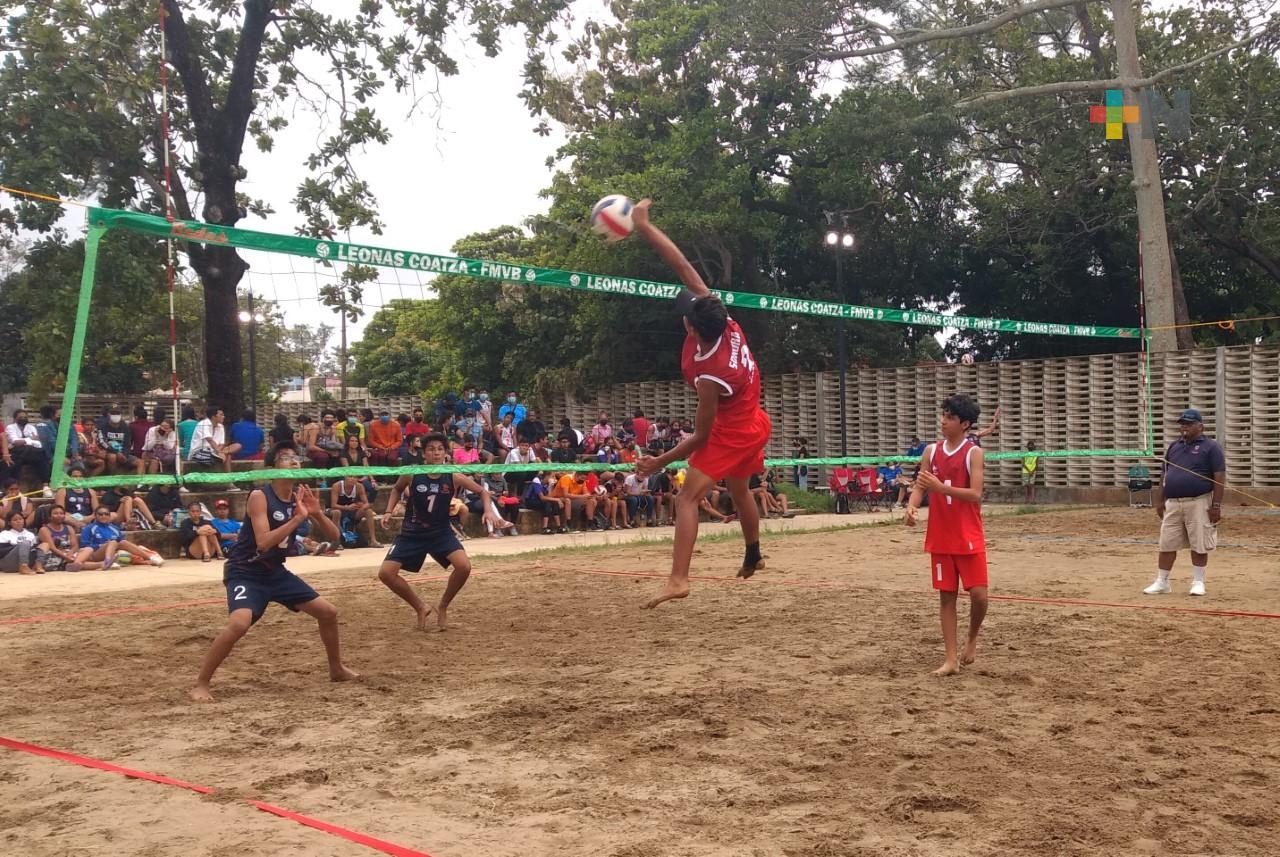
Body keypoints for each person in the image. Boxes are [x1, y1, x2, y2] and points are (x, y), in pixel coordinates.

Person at [631, 199, 773, 608]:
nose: (682, 317)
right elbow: (684, 268)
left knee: (687, 497)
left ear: (693, 328)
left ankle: (678, 579)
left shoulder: (711, 370)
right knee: (740, 489)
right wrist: (644, 225)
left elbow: (702, 436)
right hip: (754, 421)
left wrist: (659, 462)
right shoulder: (721, 319)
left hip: (731, 431)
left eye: (684, 317)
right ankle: (753, 553)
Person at [190, 442, 356, 701]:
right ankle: (201, 683)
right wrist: (298, 519)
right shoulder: (260, 496)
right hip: (245, 570)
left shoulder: (301, 496)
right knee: (239, 624)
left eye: (296, 458)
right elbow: (263, 542)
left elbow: (336, 538)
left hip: (275, 572)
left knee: (328, 613)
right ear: (272, 468)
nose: (294, 461)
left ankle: (336, 668)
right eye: (285, 458)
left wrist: (316, 514)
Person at [378, 433, 504, 631]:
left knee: (464, 567)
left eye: (439, 449)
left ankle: (442, 605)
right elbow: (396, 489)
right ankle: (420, 606)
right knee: (386, 574)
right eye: (431, 449)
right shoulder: (412, 473)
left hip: (440, 532)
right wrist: (387, 511)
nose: (435, 453)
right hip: (412, 533)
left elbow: (482, 491)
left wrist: (488, 510)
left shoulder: (453, 475)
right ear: (424, 453)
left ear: (445, 453)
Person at [904, 394, 989, 677]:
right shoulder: (931, 451)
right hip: (941, 535)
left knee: (979, 595)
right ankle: (950, 659)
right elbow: (921, 484)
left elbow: (975, 494)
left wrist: (942, 489)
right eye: (943, 415)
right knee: (946, 597)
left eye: (950, 417)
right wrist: (912, 506)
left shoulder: (973, 453)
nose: (943, 421)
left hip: (968, 533)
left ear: (965, 424)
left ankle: (972, 637)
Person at [1143, 408, 1226, 597]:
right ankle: (1162, 581)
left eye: (1188, 424)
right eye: (1182, 424)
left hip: (1199, 502)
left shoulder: (1211, 447)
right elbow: (1165, 474)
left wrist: (1216, 505)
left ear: (1200, 426)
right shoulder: (1174, 446)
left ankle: (1198, 581)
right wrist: (1159, 500)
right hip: (1173, 503)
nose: (1184, 427)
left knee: (1199, 543)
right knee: (1167, 542)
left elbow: (1219, 476)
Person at [75, 507, 165, 570]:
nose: (103, 516)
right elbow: (85, 546)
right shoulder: (89, 528)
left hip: (113, 551)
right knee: (113, 542)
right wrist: (102, 545)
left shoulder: (114, 528)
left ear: (109, 516)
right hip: (95, 553)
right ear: (95, 515)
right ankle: (108, 561)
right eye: (100, 514)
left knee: (122, 542)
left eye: (106, 514)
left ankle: (150, 557)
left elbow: (121, 542)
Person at [329, 474, 382, 549]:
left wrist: (362, 506)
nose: (352, 479)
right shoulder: (337, 486)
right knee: (337, 512)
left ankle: (373, 540)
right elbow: (333, 505)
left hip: (352, 511)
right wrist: (347, 508)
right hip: (339, 510)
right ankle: (336, 541)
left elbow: (366, 503)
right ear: (345, 477)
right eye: (350, 476)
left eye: (354, 477)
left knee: (368, 511)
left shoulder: (359, 487)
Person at [36, 505, 91, 572]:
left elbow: (75, 546)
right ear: (50, 517)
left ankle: (74, 564)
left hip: (68, 555)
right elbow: (52, 548)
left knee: (88, 549)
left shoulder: (69, 528)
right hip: (54, 556)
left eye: (61, 513)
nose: (59, 515)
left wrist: (71, 552)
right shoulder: (44, 529)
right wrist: (66, 557)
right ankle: (100, 564)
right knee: (82, 563)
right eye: (55, 513)